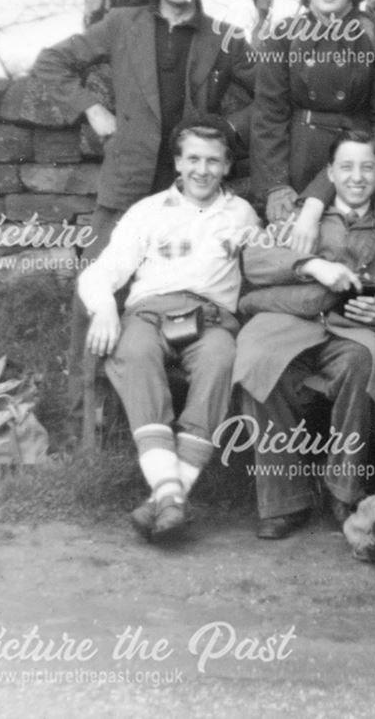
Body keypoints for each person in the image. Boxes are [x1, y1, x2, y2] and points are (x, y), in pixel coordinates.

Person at [28, 0, 256, 412]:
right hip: (129, 180)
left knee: (188, 291)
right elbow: (52, 62)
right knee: (96, 287)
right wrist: (90, 106)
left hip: (193, 188)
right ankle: (86, 412)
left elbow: (270, 100)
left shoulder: (223, 36)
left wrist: (223, 134)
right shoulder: (121, 24)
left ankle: (181, 403)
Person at [78, 121, 260, 542]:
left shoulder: (241, 214)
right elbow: (102, 271)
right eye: (192, 158)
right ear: (178, 162)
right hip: (149, 313)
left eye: (213, 160)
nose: (202, 169)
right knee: (135, 352)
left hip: (211, 318)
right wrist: (105, 308)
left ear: (227, 166)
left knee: (221, 359)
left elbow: (268, 264)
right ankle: (172, 495)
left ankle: (164, 495)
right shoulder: (148, 211)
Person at [233, 132, 375, 540]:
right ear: (330, 173)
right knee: (258, 362)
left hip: (348, 328)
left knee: (362, 363)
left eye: (367, 167)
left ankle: (343, 489)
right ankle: (283, 500)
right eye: (346, 167)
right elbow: (255, 261)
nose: (357, 177)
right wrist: (312, 265)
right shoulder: (299, 217)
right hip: (288, 321)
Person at [251, 0, 375, 251]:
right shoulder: (285, 34)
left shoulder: (374, 32)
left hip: (357, 157)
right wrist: (276, 184)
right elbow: (269, 113)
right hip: (300, 155)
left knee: (358, 246)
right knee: (296, 245)